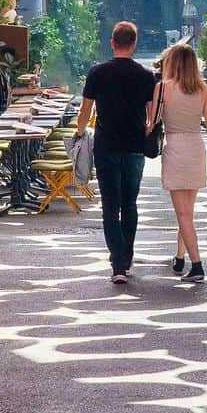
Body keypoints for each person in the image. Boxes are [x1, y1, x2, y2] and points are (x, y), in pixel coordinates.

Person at [75, 21, 158, 284]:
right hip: (134, 146)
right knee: (129, 203)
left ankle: (117, 263)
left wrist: (80, 133)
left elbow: (85, 111)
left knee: (110, 205)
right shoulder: (146, 76)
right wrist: (146, 130)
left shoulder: (97, 73)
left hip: (105, 145)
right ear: (134, 44)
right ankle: (128, 255)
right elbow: (151, 116)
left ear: (112, 43)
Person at [157, 43, 207, 283]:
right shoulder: (202, 89)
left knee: (183, 214)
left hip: (176, 148)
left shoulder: (163, 89)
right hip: (197, 149)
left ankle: (197, 265)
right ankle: (179, 257)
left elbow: (152, 122)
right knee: (187, 212)